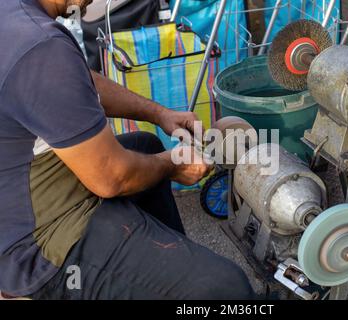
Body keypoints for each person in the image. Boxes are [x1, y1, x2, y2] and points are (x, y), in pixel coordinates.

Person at [0, 0, 254, 300]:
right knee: (225, 288)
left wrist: (159, 114)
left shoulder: (14, 15)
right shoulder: (40, 46)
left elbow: (76, 81)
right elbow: (112, 177)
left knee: (145, 147)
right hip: (33, 248)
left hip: (18, 196)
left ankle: (168, 272)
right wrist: (174, 165)